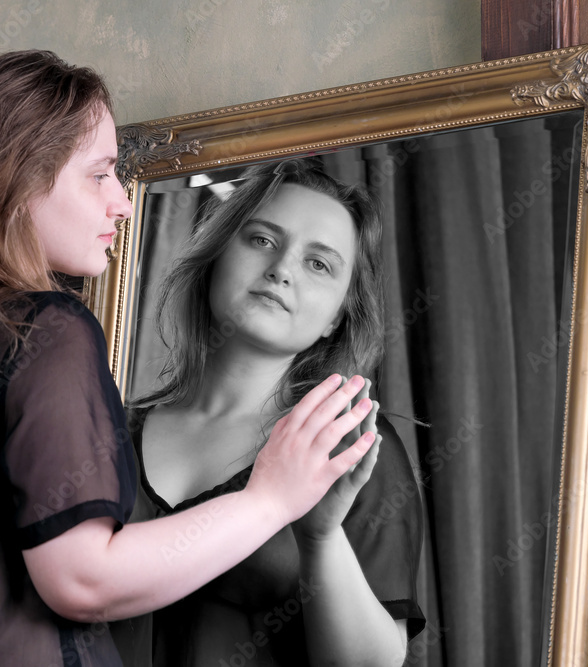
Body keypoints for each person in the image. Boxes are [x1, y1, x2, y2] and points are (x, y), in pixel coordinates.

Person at [0, 51, 378, 666]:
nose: (122, 202)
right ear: (18, 178)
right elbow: (83, 580)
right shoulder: (43, 329)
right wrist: (269, 501)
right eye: (100, 175)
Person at [112, 159, 425, 666]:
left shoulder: (347, 445)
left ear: (337, 316)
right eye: (261, 239)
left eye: (318, 264)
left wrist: (321, 538)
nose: (281, 269)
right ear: (216, 257)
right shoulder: (108, 431)